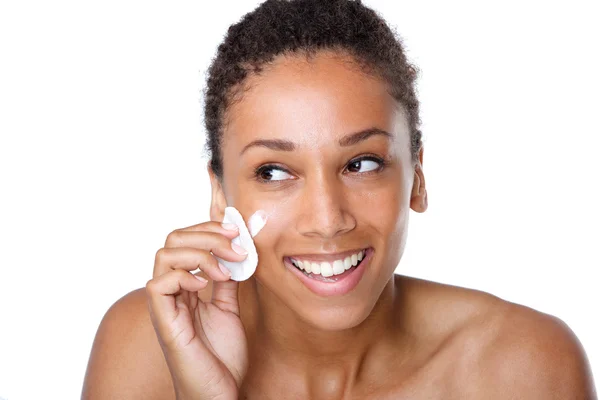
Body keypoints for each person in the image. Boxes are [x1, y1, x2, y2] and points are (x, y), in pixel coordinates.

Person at [82, 0, 596, 398]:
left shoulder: (526, 367)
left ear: (417, 175)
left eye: (362, 163)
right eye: (275, 171)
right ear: (220, 195)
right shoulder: (146, 346)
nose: (327, 221)